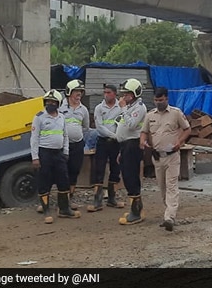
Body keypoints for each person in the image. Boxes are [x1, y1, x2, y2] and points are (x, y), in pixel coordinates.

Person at [140, 87, 190, 232]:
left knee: (171, 185)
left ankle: (170, 217)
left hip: (172, 156)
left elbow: (187, 129)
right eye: (156, 100)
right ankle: (168, 212)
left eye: (161, 100)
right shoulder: (150, 115)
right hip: (157, 156)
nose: (158, 103)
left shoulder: (176, 113)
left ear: (167, 99)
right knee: (162, 187)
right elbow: (144, 132)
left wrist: (179, 142)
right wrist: (143, 141)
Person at [31, 89, 80, 224]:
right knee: (44, 180)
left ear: (58, 103)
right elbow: (34, 139)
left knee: (63, 180)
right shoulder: (39, 117)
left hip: (59, 154)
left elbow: (65, 136)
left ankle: (64, 209)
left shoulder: (62, 117)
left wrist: (66, 152)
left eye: (53, 102)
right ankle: (46, 211)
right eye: (48, 102)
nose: (50, 104)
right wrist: (35, 157)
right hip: (44, 153)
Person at [115, 78, 147, 225]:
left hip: (133, 145)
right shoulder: (129, 107)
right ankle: (137, 208)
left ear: (134, 94)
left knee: (131, 176)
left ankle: (136, 212)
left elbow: (131, 125)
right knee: (126, 176)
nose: (123, 97)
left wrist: (122, 108)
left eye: (127, 94)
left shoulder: (139, 107)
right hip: (125, 145)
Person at [87, 84, 124, 212]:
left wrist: (119, 136)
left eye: (109, 92)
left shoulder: (121, 107)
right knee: (99, 169)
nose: (106, 94)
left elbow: (123, 122)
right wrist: (114, 135)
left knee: (115, 169)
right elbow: (100, 127)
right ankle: (97, 200)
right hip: (103, 141)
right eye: (105, 92)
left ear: (115, 93)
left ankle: (112, 198)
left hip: (116, 143)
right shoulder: (99, 108)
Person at [59, 79, 90, 210]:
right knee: (62, 173)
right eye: (77, 92)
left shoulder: (84, 110)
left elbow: (86, 127)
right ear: (69, 92)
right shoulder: (60, 108)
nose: (79, 94)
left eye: (81, 92)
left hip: (77, 145)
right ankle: (61, 202)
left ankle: (69, 200)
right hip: (62, 146)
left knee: (74, 171)